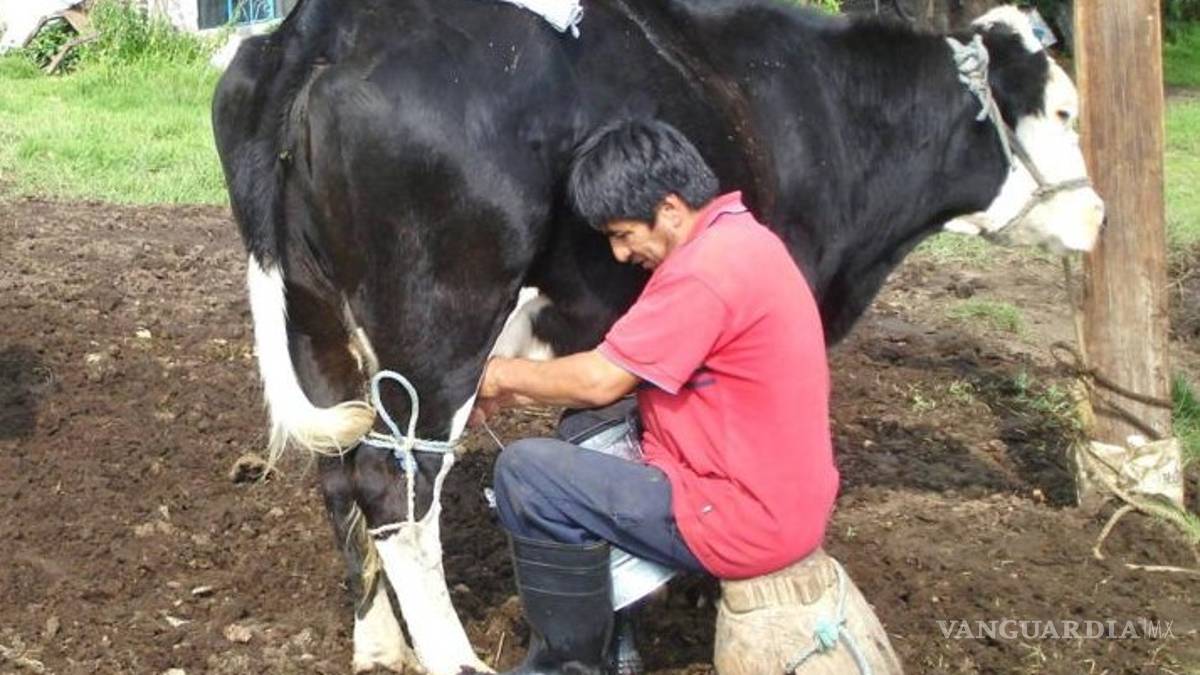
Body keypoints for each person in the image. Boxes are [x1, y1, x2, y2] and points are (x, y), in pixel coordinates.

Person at [473, 119, 902, 674]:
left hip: (745, 518)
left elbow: (601, 378)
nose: (621, 254)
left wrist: (498, 376)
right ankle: (617, 637)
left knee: (527, 473)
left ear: (670, 208)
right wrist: (514, 391)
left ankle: (565, 666)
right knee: (585, 426)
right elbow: (619, 374)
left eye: (624, 234)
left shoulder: (703, 273)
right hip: (781, 493)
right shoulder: (741, 239)